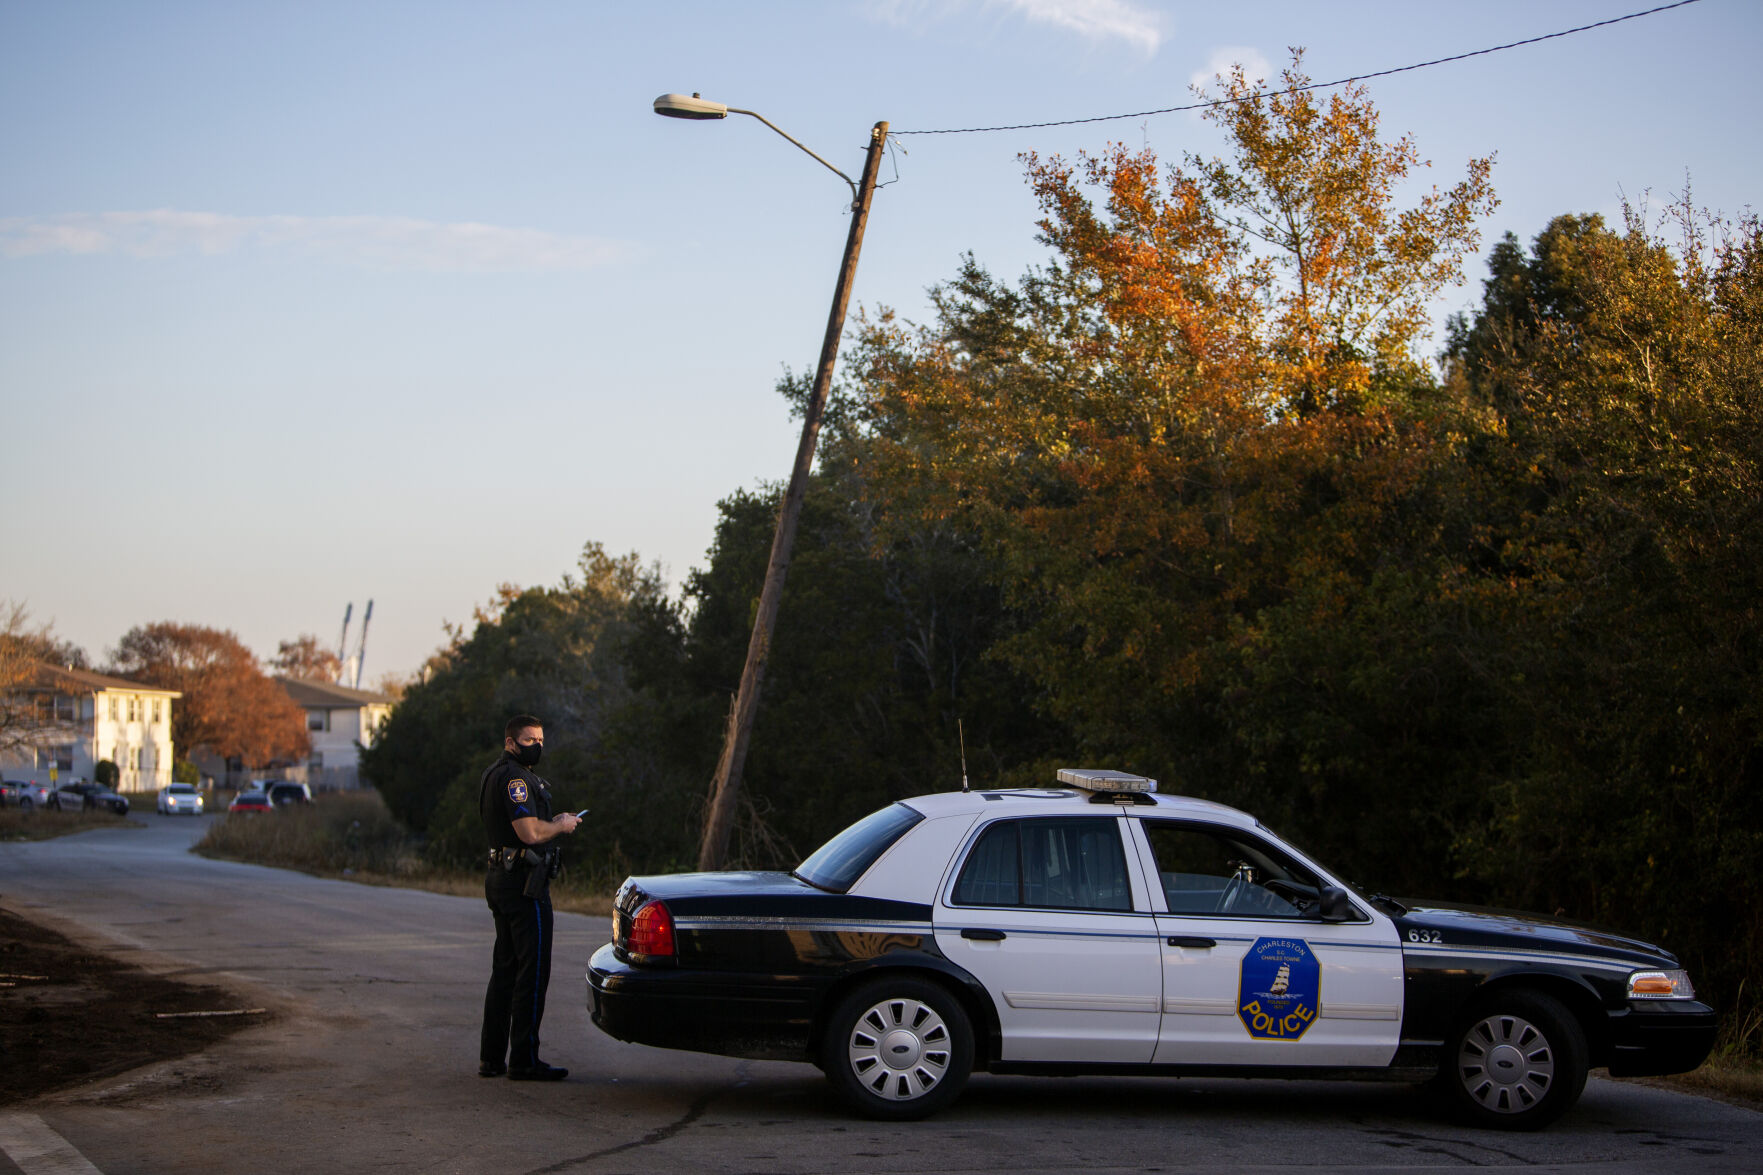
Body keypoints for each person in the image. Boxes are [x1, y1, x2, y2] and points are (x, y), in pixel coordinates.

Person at [478, 714, 581, 1080]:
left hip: (501, 878)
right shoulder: (516, 780)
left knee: (504, 969)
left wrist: (552, 820)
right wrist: (561, 826)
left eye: (540, 739)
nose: (536, 745)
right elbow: (528, 832)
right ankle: (524, 1059)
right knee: (532, 971)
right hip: (523, 884)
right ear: (510, 742)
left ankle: (491, 1058)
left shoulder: (495, 774)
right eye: (528, 740)